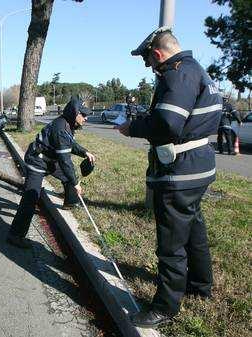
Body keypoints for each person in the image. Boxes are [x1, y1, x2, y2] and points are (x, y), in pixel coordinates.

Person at [116, 27, 222, 328]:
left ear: (158, 54)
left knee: (171, 243)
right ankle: (200, 286)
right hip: (199, 168)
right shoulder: (197, 69)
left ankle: (165, 307)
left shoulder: (177, 74)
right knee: (194, 230)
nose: (152, 68)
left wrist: (133, 127)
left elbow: (167, 124)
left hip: (180, 173)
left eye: (150, 62)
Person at [7, 97, 95, 249]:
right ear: (75, 113)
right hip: (37, 160)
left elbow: (71, 144)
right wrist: (76, 183)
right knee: (31, 196)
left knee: (69, 179)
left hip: (50, 160)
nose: (86, 118)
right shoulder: (60, 129)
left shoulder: (67, 124)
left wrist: (85, 152)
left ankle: (70, 203)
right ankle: (15, 235)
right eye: (84, 115)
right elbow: (65, 162)